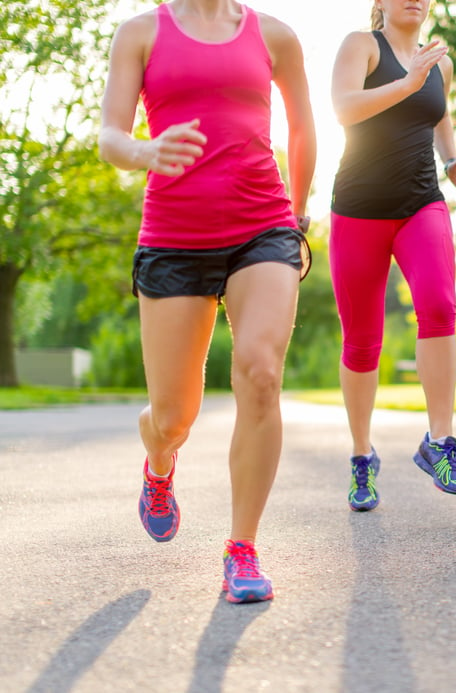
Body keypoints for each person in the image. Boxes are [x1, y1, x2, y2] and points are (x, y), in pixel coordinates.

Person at [98, 0, 316, 603]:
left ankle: (241, 550)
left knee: (261, 373)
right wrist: (144, 151)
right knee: (174, 418)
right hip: (173, 238)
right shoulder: (141, 33)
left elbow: (301, 125)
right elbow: (110, 135)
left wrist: (297, 213)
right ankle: (159, 463)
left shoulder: (275, 35)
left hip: (262, 228)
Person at [329, 0, 456, 511]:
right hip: (358, 209)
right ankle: (362, 457)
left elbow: (439, 114)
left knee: (439, 305)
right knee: (363, 340)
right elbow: (344, 108)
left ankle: (439, 442)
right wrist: (407, 82)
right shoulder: (361, 46)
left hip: (421, 202)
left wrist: (452, 161)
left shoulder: (441, 61)